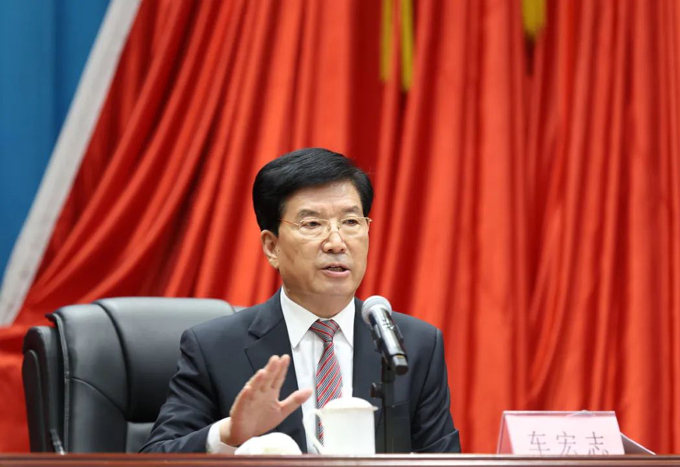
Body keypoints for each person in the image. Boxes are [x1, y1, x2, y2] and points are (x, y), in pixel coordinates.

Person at [140, 148, 460, 453]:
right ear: (272, 247)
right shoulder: (214, 348)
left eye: (351, 222)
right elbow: (155, 456)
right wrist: (228, 435)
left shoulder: (412, 346)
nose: (336, 243)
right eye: (312, 224)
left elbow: (443, 459)